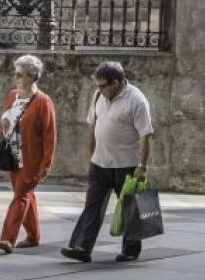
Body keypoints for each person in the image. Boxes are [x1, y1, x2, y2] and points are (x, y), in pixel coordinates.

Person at [62, 61, 153, 263]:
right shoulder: (98, 97)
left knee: (130, 208)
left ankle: (130, 250)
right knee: (92, 205)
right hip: (100, 163)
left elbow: (146, 135)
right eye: (98, 85)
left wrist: (143, 166)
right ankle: (82, 247)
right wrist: (91, 154)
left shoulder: (136, 100)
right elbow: (92, 125)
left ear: (118, 82)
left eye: (103, 86)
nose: (99, 89)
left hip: (127, 164)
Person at [0, 54, 55, 254]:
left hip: (31, 159)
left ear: (32, 76)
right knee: (24, 194)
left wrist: (46, 164)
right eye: (16, 74)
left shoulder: (43, 102)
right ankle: (33, 236)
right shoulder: (12, 95)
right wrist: (3, 127)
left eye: (21, 74)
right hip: (11, 155)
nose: (17, 78)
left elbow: (50, 134)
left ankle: (7, 238)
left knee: (21, 195)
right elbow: (5, 120)